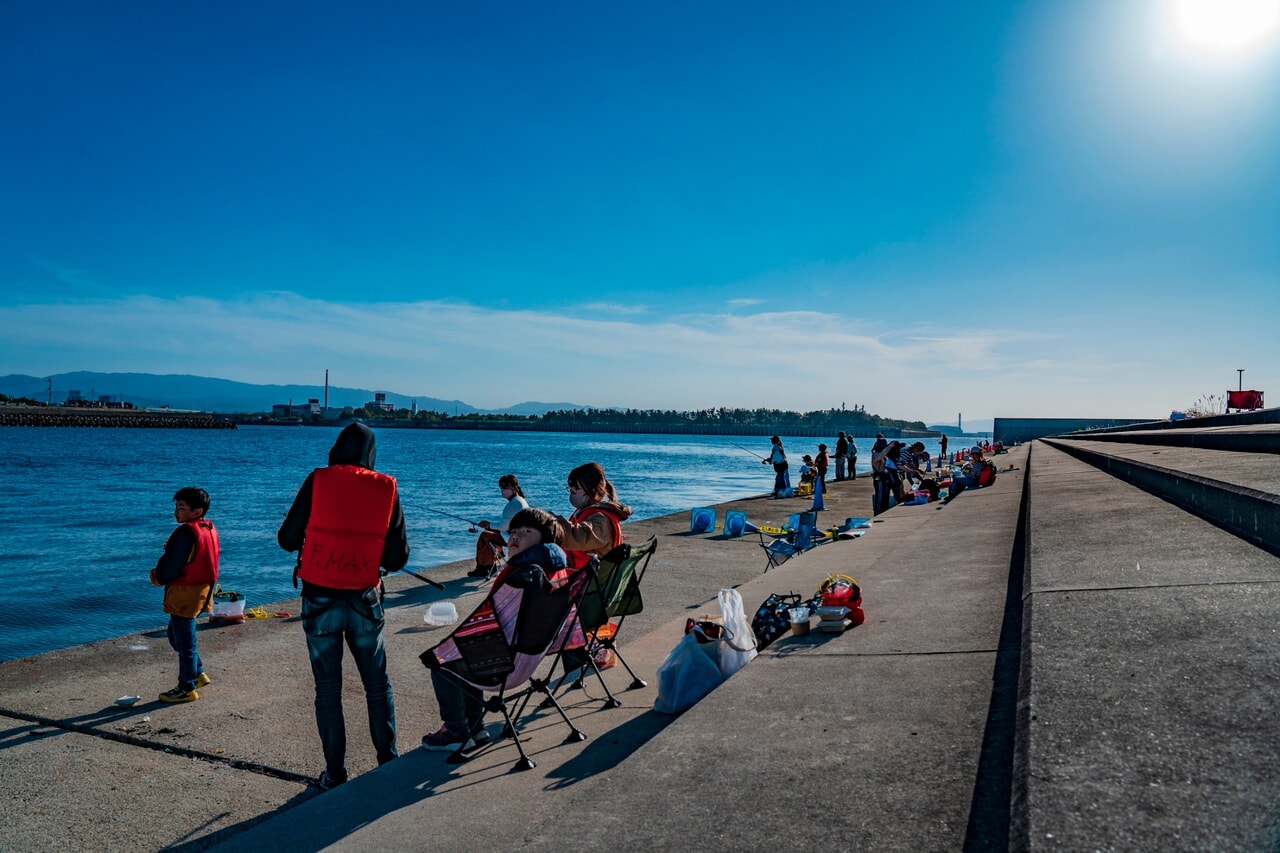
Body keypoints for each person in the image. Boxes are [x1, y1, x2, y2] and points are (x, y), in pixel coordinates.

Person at [277, 422, 409, 791]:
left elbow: (286, 539)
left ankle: (335, 774)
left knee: (327, 690)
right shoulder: (387, 487)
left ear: (337, 448)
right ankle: (388, 762)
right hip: (365, 596)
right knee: (376, 684)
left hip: (319, 597)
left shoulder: (317, 480)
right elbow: (398, 557)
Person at [422, 507, 568, 751]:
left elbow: (491, 620)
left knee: (443, 661)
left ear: (546, 538)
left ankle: (456, 732)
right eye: (513, 531)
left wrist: (449, 647)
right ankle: (476, 728)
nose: (515, 536)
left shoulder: (524, 574)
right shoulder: (556, 569)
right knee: (469, 651)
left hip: (503, 665)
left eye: (526, 531)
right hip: (530, 658)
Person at [150, 486, 220, 704]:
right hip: (202, 591)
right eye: (176, 507)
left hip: (185, 594)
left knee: (185, 643)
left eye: (181, 508)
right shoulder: (206, 528)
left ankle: (186, 688)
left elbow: (170, 567)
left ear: (197, 511)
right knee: (175, 636)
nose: (176, 512)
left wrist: (157, 577)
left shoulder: (186, 533)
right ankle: (197, 673)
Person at [556, 462, 632, 568]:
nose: (572, 491)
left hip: (586, 577)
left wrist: (549, 521)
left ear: (592, 490)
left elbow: (577, 538)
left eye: (576, 488)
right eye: (571, 487)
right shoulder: (587, 512)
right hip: (583, 574)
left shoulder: (601, 519)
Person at [469, 474, 529, 579]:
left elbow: (503, 527)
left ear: (514, 488)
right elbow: (507, 524)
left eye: (506, 487)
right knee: (492, 533)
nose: (503, 490)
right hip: (522, 536)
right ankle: (491, 563)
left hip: (515, 538)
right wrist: (490, 526)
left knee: (485, 536)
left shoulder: (513, 504)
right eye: (502, 487)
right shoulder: (521, 501)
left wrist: (488, 524)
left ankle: (485, 568)